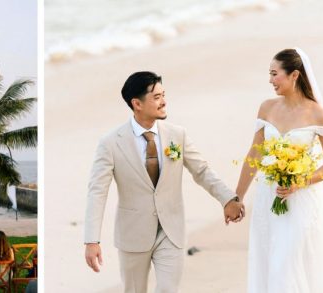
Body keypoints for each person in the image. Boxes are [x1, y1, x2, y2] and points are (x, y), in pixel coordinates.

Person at [84, 71, 243, 292]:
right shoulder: (110, 143)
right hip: (133, 235)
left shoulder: (178, 135)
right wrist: (92, 241)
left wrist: (228, 198)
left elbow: (202, 171)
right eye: (157, 97)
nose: (164, 102)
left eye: (163, 94)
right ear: (137, 103)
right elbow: (97, 192)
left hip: (171, 231)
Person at [235, 48, 323, 292]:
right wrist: (237, 197)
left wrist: (300, 181)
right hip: (269, 196)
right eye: (269, 74)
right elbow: (255, 153)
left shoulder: (319, 114)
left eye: (275, 74)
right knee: (269, 257)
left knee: (289, 258)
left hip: (301, 199)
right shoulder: (267, 108)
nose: (270, 80)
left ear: (294, 75)